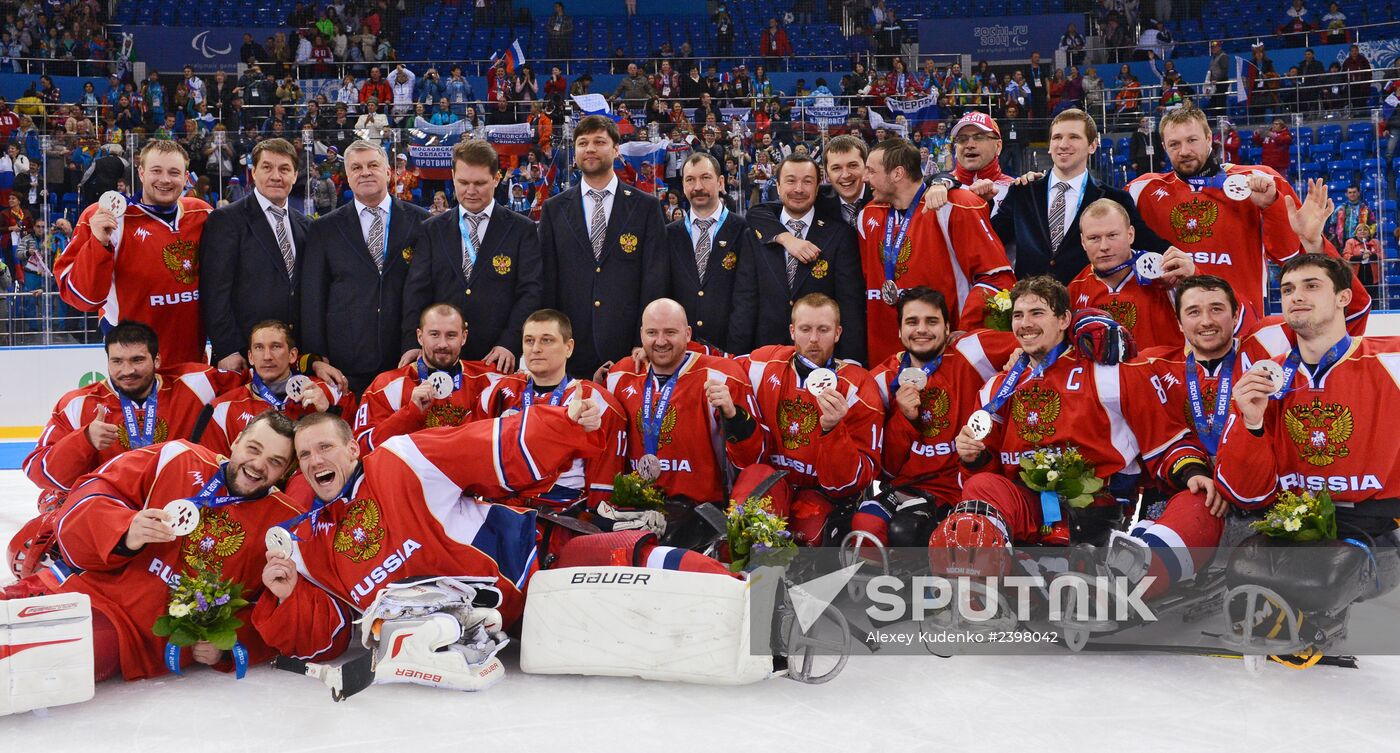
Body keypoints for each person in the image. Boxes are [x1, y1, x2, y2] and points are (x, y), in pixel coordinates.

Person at [251, 405, 606, 688]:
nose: (315, 461)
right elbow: (324, 638)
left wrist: (563, 423)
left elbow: (481, 444)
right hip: (504, 637)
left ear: (353, 448)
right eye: (305, 454)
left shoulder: (401, 459)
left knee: (640, 563)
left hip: (541, 570)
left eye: (324, 447)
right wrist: (287, 594)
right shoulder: (314, 545)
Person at [947, 276, 1223, 594]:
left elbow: (1165, 439)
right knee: (980, 487)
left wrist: (1192, 471)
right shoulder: (998, 387)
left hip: (1101, 518)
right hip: (1033, 513)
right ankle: (998, 585)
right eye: (1018, 315)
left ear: (1065, 319)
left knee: (1202, 500)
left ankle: (1125, 583)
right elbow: (987, 472)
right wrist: (973, 457)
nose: (1025, 324)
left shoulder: (1111, 373)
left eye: (1037, 313)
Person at [2, 412, 302, 684]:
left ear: (286, 470)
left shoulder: (285, 525)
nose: (259, 465)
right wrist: (124, 529)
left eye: (275, 462)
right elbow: (91, 490)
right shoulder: (177, 457)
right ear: (236, 441)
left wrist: (228, 644)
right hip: (77, 586)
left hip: (126, 632)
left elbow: (284, 611)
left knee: (25, 659)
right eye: (253, 449)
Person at [1216, 254, 1400, 626]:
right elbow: (1247, 493)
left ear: (1343, 298)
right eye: (1287, 289)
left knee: (1322, 579)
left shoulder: (1391, 359)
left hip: (1372, 524)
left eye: (1311, 286)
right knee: (1241, 568)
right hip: (1292, 519)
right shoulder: (1265, 377)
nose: (1296, 296)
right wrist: (1251, 424)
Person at [1127, 107, 1371, 332]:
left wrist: (1272, 207)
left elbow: (1290, 257)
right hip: (1172, 337)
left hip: (1243, 332)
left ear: (1210, 138)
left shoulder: (1258, 180)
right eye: (1174, 144)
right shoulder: (1142, 191)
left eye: (1192, 140)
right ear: (1164, 146)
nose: (1184, 151)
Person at [16, 321, 233, 525]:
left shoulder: (196, 383)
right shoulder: (79, 404)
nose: (127, 371)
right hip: (112, 514)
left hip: (180, 508)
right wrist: (84, 440)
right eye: (117, 361)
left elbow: (255, 391)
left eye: (137, 360)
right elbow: (37, 468)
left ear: (156, 360)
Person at [861, 287, 1017, 547]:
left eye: (931, 321)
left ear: (947, 329)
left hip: (959, 487)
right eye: (912, 322)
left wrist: (1020, 357)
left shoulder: (972, 351)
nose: (921, 329)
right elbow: (886, 467)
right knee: (862, 524)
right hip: (906, 489)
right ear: (899, 331)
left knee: (906, 532)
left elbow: (1036, 336)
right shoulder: (881, 379)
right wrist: (905, 419)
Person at [604, 300, 764, 538]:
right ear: (641, 334)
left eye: (670, 332)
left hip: (701, 514)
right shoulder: (621, 375)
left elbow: (754, 459)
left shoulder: (722, 375)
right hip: (635, 512)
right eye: (651, 333)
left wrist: (733, 415)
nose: (660, 341)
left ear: (688, 333)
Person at [733, 293, 883, 545]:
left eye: (823, 329)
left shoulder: (859, 386)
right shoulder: (763, 364)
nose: (813, 339)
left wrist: (833, 430)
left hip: (823, 493)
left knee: (808, 536)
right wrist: (649, 353)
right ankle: (745, 578)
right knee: (751, 500)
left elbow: (850, 484)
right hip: (773, 481)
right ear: (792, 331)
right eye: (805, 329)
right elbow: (714, 363)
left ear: (837, 333)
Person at [54, 140, 213, 365]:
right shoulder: (106, 217)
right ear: (141, 172)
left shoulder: (202, 214)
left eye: (174, 172)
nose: (165, 179)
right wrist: (99, 244)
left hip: (194, 365)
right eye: (156, 171)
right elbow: (82, 299)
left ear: (186, 177)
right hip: (134, 371)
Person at [858, 137, 1015, 364]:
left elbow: (997, 278)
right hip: (885, 358)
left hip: (948, 351)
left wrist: (967, 330)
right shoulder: (869, 215)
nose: (864, 178)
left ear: (897, 174)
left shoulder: (957, 205)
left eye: (871, 171)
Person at [538, 115, 667, 379]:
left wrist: (644, 338)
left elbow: (654, 278)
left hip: (629, 349)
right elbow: (548, 281)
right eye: (583, 143)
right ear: (575, 151)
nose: (590, 149)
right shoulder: (554, 209)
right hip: (571, 348)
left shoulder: (646, 207)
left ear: (616, 149)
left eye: (599, 142)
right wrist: (552, 340)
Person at [300, 140, 430, 393]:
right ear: (348, 177)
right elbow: (313, 297)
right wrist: (316, 357)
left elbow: (429, 289)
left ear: (388, 171)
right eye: (356, 168)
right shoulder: (323, 229)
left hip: (407, 358)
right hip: (345, 364)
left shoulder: (422, 222)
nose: (365, 172)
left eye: (373, 165)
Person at [400, 139, 541, 371]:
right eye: (463, 182)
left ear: (496, 179)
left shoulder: (521, 229)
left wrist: (509, 341)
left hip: (498, 357)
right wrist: (412, 342)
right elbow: (416, 291)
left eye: (480, 183)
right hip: (440, 355)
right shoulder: (431, 229)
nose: (471, 191)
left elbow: (531, 291)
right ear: (453, 176)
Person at [994, 109, 1171, 285]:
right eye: (1057, 138)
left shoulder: (1116, 199)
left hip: (1089, 303)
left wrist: (1184, 260)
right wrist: (982, 202)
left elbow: (1147, 242)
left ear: (1092, 145)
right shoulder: (1022, 191)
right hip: (1032, 305)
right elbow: (990, 239)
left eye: (1074, 137)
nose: (1063, 144)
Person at [477, 308, 629, 514]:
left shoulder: (597, 402)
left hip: (560, 515)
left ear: (569, 347)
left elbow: (602, 483)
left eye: (547, 340)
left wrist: (591, 519)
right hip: (501, 509)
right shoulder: (497, 392)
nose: (536, 349)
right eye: (529, 341)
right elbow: (477, 459)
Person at [736, 153, 866, 362]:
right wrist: (739, 356)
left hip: (824, 359)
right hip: (768, 354)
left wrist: (851, 361)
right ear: (777, 187)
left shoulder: (840, 235)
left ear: (817, 188)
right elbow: (745, 300)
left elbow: (849, 304)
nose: (798, 189)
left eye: (807, 181)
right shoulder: (754, 236)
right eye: (790, 181)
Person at [199, 138, 310, 374]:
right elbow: (214, 292)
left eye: (284, 169)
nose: (276, 176)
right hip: (242, 358)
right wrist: (227, 349)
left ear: (295, 174)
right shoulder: (226, 220)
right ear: (253, 173)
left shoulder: (305, 226)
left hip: (294, 358)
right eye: (267, 168)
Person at [355, 303, 499, 454]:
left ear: (463, 337)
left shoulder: (489, 379)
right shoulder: (386, 386)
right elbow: (361, 448)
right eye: (434, 334)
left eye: (451, 335)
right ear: (420, 336)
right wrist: (410, 413)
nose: (442, 344)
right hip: (409, 476)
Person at [201, 320, 354, 456]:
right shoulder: (223, 409)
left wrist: (328, 412)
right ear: (251, 357)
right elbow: (214, 468)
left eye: (276, 346)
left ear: (292, 355)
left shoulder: (330, 390)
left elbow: (352, 449)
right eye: (259, 348)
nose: (267, 356)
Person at [1067, 199, 1195, 351]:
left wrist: (1195, 277)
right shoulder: (1073, 290)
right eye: (1094, 238)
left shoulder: (1168, 274)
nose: (1104, 247)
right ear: (1083, 242)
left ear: (1130, 235)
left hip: (1161, 374)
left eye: (1112, 235)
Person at [663, 153, 759, 354]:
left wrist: (736, 351)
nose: (698, 187)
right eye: (690, 180)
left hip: (730, 349)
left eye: (705, 178)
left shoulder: (744, 230)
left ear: (720, 181)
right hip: (680, 351)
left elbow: (747, 297)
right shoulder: (669, 234)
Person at [1342, 222, 1381, 293]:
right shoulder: (1350, 242)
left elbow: (1382, 254)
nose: (1362, 231)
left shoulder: (1375, 242)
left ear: (1369, 233)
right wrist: (1361, 257)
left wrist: (1371, 255)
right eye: (1360, 230)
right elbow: (1346, 256)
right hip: (1356, 273)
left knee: (1372, 294)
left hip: (1372, 274)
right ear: (1356, 233)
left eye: (1365, 229)